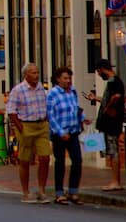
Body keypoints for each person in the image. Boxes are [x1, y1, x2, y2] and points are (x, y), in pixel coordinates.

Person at [6, 62, 51, 204]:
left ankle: (42, 191)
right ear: (26, 75)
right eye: (33, 73)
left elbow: (47, 106)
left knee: (45, 158)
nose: (36, 75)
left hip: (41, 126)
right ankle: (26, 192)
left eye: (37, 72)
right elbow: (11, 111)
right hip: (26, 126)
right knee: (25, 160)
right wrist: (20, 128)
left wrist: (47, 120)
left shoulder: (42, 90)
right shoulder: (18, 90)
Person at [47, 66, 90, 205]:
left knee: (77, 161)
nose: (68, 81)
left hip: (73, 131)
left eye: (69, 78)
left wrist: (83, 118)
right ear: (58, 79)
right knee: (60, 163)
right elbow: (50, 115)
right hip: (60, 134)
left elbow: (76, 107)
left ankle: (73, 191)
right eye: (65, 78)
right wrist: (60, 132)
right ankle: (59, 193)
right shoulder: (53, 94)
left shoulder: (73, 91)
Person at [86, 58, 125, 191]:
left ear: (103, 69)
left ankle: (115, 181)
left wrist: (108, 108)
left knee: (113, 150)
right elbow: (110, 98)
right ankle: (114, 180)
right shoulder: (112, 82)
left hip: (112, 123)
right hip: (108, 123)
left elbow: (116, 97)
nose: (98, 74)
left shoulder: (114, 81)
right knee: (109, 149)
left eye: (98, 71)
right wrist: (96, 98)